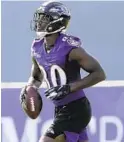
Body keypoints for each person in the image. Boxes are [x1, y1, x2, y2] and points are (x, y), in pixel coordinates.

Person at [20, 1, 106, 142]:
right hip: (60, 109)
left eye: (44, 18)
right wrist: (30, 87)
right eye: (39, 17)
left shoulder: (69, 48)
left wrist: (69, 88)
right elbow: (36, 76)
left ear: (57, 22)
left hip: (76, 108)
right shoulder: (36, 47)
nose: (39, 22)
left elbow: (99, 74)